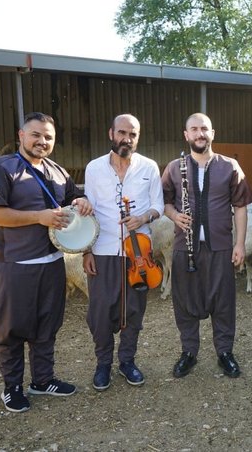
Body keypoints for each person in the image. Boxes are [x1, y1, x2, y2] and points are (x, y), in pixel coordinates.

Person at [0, 112, 92, 413]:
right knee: (11, 327)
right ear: (21, 135)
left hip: (53, 261)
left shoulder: (58, 171)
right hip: (13, 264)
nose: (42, 141)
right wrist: (38, 218)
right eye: (36, 135)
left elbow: (74, 197)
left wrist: (81, 200)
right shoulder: (0, 169)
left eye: (48, 137)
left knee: (47, 324)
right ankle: (12, 387)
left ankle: (43, 380)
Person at [161, 113, 252, 378]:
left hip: (221, 247)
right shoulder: (173, 167)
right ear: (186, 135)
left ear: (212, 133)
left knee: (224, 302)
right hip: (184, 247)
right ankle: (189, 352)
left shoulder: (230, 166)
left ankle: (225, 352)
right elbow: (165, 202)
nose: (200, 134)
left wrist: (240, 244)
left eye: (204, 129)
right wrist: (174, 215)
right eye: (194, 129)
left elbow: (241, 207)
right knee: (184, 301)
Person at [83, 114, 164, 391]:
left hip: (137, 253)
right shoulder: (93, 169)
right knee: (100, 312)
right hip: (103, 250)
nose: (126, 139)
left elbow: (159, 206)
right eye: (122, 133)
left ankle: (127, 361)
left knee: (134, 311)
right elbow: (88, 213)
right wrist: (87, 251)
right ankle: (103, 364)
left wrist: (143, 218)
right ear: (111, 133)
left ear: (137, 138)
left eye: (132, 134)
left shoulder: (149, 167)